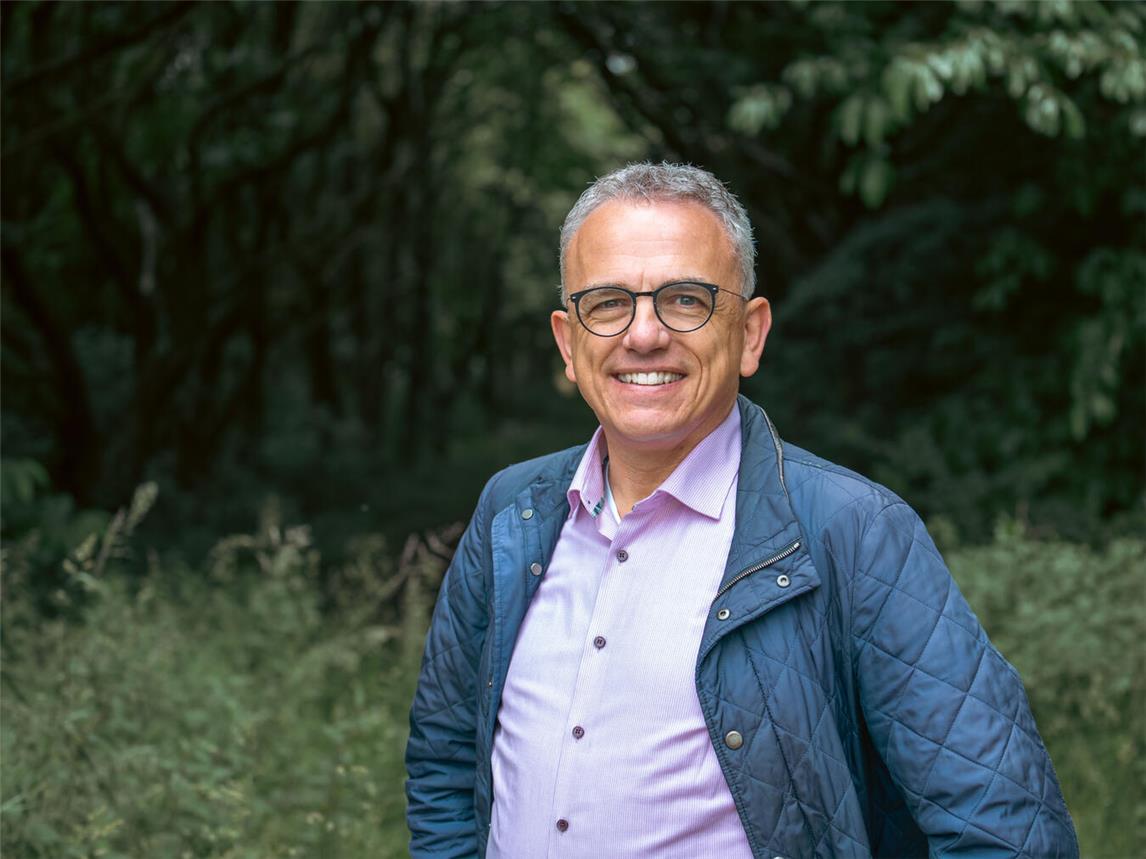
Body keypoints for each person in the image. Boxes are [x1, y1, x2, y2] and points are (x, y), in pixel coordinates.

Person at [405, 163, 1078, 858]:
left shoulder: (854, 531)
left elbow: (1010, 833)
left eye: (686, 299)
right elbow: (444, 765)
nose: (643, 335)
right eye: (607, 303)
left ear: (751, 334)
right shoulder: (510, 512)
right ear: (567, 342)